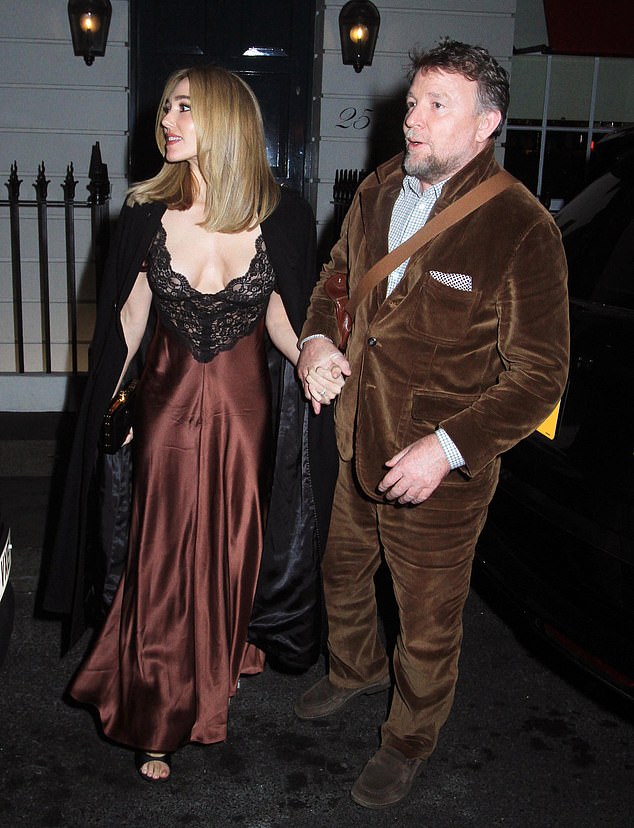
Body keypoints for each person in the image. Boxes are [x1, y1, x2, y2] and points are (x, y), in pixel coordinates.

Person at [294, 39, 569, 809]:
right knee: (342, 579)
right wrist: (318, 338)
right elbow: (337, 280)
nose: (411, 119)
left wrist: (447, 451)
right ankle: (354, 672)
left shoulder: (522, 229)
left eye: (435, 106)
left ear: (486, 125)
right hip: (358, 439)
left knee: (426, 623)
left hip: (437, 478)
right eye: (412, 102)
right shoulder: (381, 187)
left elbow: (540, 378)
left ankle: (408, 740)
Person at [41, 65, 336, 780]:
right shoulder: (144, 215)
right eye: (167, 107)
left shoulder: (284, 216)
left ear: (227, 122)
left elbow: (279, 313)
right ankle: (160, 709)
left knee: (232, 549)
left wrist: (311, 356)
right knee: (163, 557)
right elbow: (130, 322)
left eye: (184, 109)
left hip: (244, 419)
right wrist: (102, 418)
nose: (167, 121)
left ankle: (218, 658)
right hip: (167, 413)